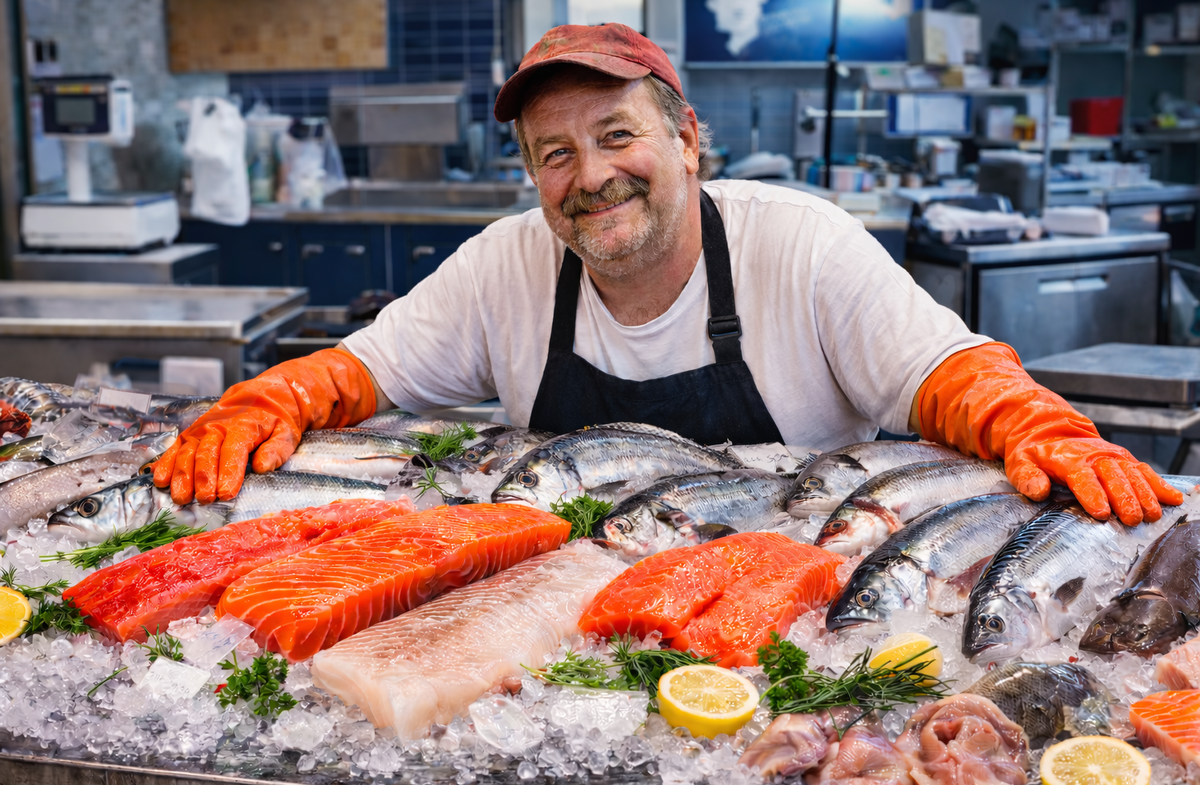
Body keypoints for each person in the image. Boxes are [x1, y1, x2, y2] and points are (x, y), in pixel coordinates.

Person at [154, 23, 1181, 528]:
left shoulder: (800, 243)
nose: (590, 177)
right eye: (556, 154)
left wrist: (1032, 424)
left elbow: (945, 372)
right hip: (568, 610)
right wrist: (271, 399)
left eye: (617, 135)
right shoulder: (507, 262)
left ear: (687, 140)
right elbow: (357, 373)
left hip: (785, 596)